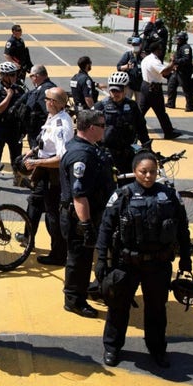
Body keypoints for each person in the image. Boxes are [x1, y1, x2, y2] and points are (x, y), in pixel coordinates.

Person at [97, 150, 192, 368]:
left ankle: (157, 348)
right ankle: (112, 347)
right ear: (134, 172)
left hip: (159, 264)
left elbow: (183, 230)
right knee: (118, 308)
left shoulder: (169, 196)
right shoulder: (122, 196)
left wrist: (186, 259)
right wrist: (101, 259)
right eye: (143, 172)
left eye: (152, 172)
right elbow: (105, 228)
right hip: (126, 264)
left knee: (157, 309)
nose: (148, 176)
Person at [59, 109, 115, 318]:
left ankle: (86, 290)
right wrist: (86, 225)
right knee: (79, 260)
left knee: (84, 258)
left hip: (87, 213)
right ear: (92, 128)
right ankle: (74, 300)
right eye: (102, 125)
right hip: (78, 217)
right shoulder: (81, 155)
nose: (104, 129)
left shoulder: (86, 147)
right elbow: (79, 194)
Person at [23, 87, 73, 264]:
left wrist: (36, 163)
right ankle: (28, 237)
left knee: (53, 214)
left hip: (53, 175)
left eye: (46, 99)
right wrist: (34, 151)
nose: (44, 101)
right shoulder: (53, 116)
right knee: (34, 202)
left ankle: (59, 253)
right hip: (44, 170)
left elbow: (62, 157)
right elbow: (46, 141)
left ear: (53, 102)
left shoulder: (62, 125)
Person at [95, 72, 151, 179]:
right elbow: (89, 129)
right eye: (112, 90)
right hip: (107, 153)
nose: (115, 94)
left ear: (125, 89)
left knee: (130, 183)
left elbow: (141, 127)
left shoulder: (132, 106)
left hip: (128, 153)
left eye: (118, 90)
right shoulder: (101, 106)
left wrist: (146, 145)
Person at [0, 61, 25, 192]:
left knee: (16, 154)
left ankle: (18, 178)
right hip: (0, 127)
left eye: (16, 74)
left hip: (14, 126)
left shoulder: (19, 88)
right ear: (4, 76)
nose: (15, 77)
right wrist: (9, 95)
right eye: (12, 75)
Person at [139, 42, 182, 140]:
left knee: (141, 111)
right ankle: (169, 132)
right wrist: (172, 62)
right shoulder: (154, 61)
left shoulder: (147, 58)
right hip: (153, 89)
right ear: (157, 50)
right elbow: (164, 72)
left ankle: (133, 130)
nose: (162, 51)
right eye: (160, 49)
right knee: (161, 112)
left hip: (145, 85)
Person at [19, 64, 57, 148]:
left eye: (31, 76)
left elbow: (50, 112)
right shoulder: (41, 88)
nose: (31, 79)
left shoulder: (45, 90)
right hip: (35, 130)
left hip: (38, 131)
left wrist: (44, 131)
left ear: (36, 76)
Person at [165, 32, 193, 112]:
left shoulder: (186, 48)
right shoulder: (179, 47)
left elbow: (186, 59)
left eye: (179, 39)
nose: (177, 40)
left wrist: (175, 61)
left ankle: (190, 105)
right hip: (177, 71)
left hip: (184, 72)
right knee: (171, 85)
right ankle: (171, 103)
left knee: (186, 88)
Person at [116, 36, 144, 101]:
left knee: (139, 105)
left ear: (141, 45)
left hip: (140, 85)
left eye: (137, 45)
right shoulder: (128, 55)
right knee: (127, 102)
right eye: (134, 45)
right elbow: (119, 67)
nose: (135, 46)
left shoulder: (143, 56)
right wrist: (126, 66)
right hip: (129, 84)